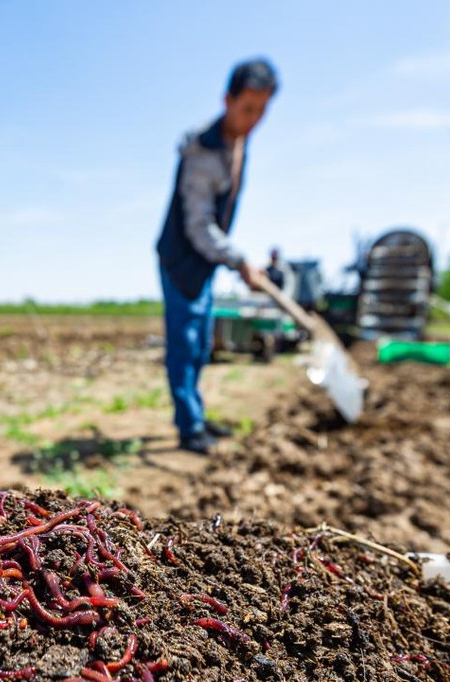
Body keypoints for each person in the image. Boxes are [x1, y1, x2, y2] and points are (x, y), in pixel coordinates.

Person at [155, 58, 278, 455]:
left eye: (262, 111)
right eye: (247, 109)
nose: (254, 120)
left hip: (204, 262)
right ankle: (189, 427)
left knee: (202, 341)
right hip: (181, 259)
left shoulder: (236, 145)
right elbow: (198, 226)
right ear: (227, 99)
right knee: (185, 342)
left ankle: (197, 415)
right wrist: (240, 261)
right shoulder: (204, 152)